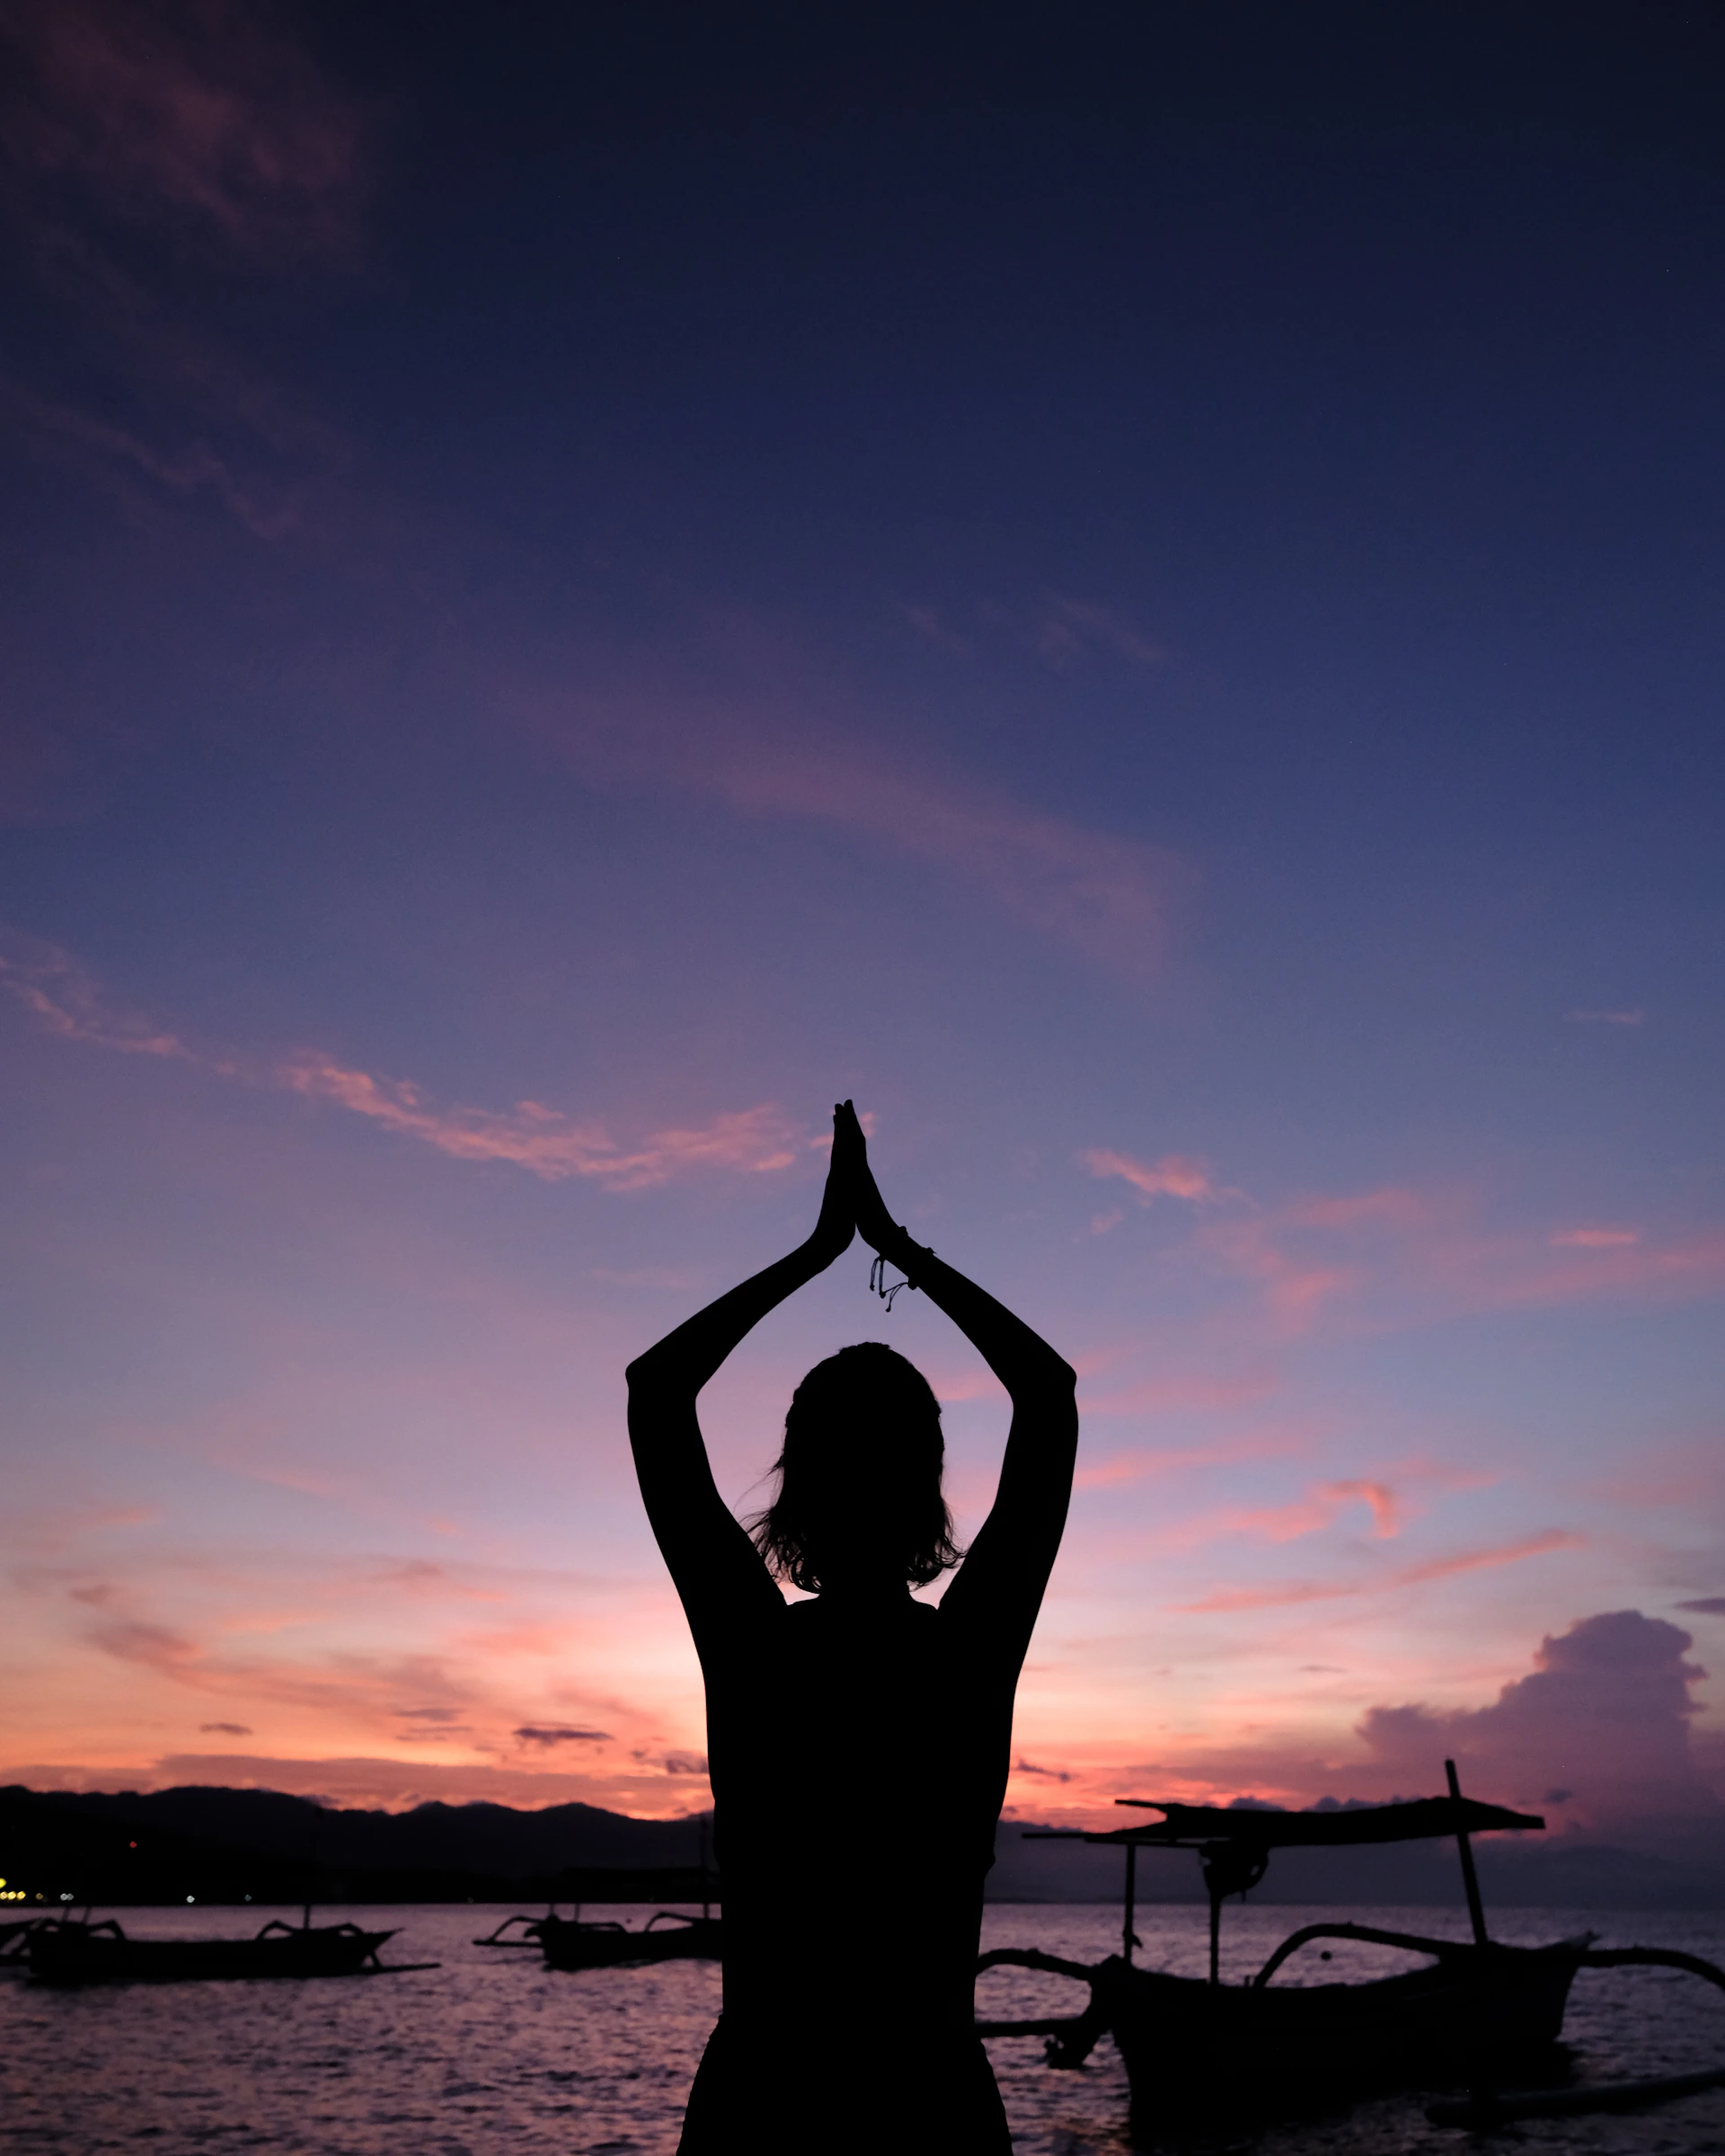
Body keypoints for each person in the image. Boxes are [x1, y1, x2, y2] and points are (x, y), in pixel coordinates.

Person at [626, 1100, 1078, 2153]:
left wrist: (819, 1251)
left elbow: (658, 1393)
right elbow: (1047, 1398)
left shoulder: (757, 1650)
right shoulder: (966, 1658)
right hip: (930, 2107)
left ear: (793, 1491)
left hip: (765, 2106)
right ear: (931, 1493)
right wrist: (894, 1249)